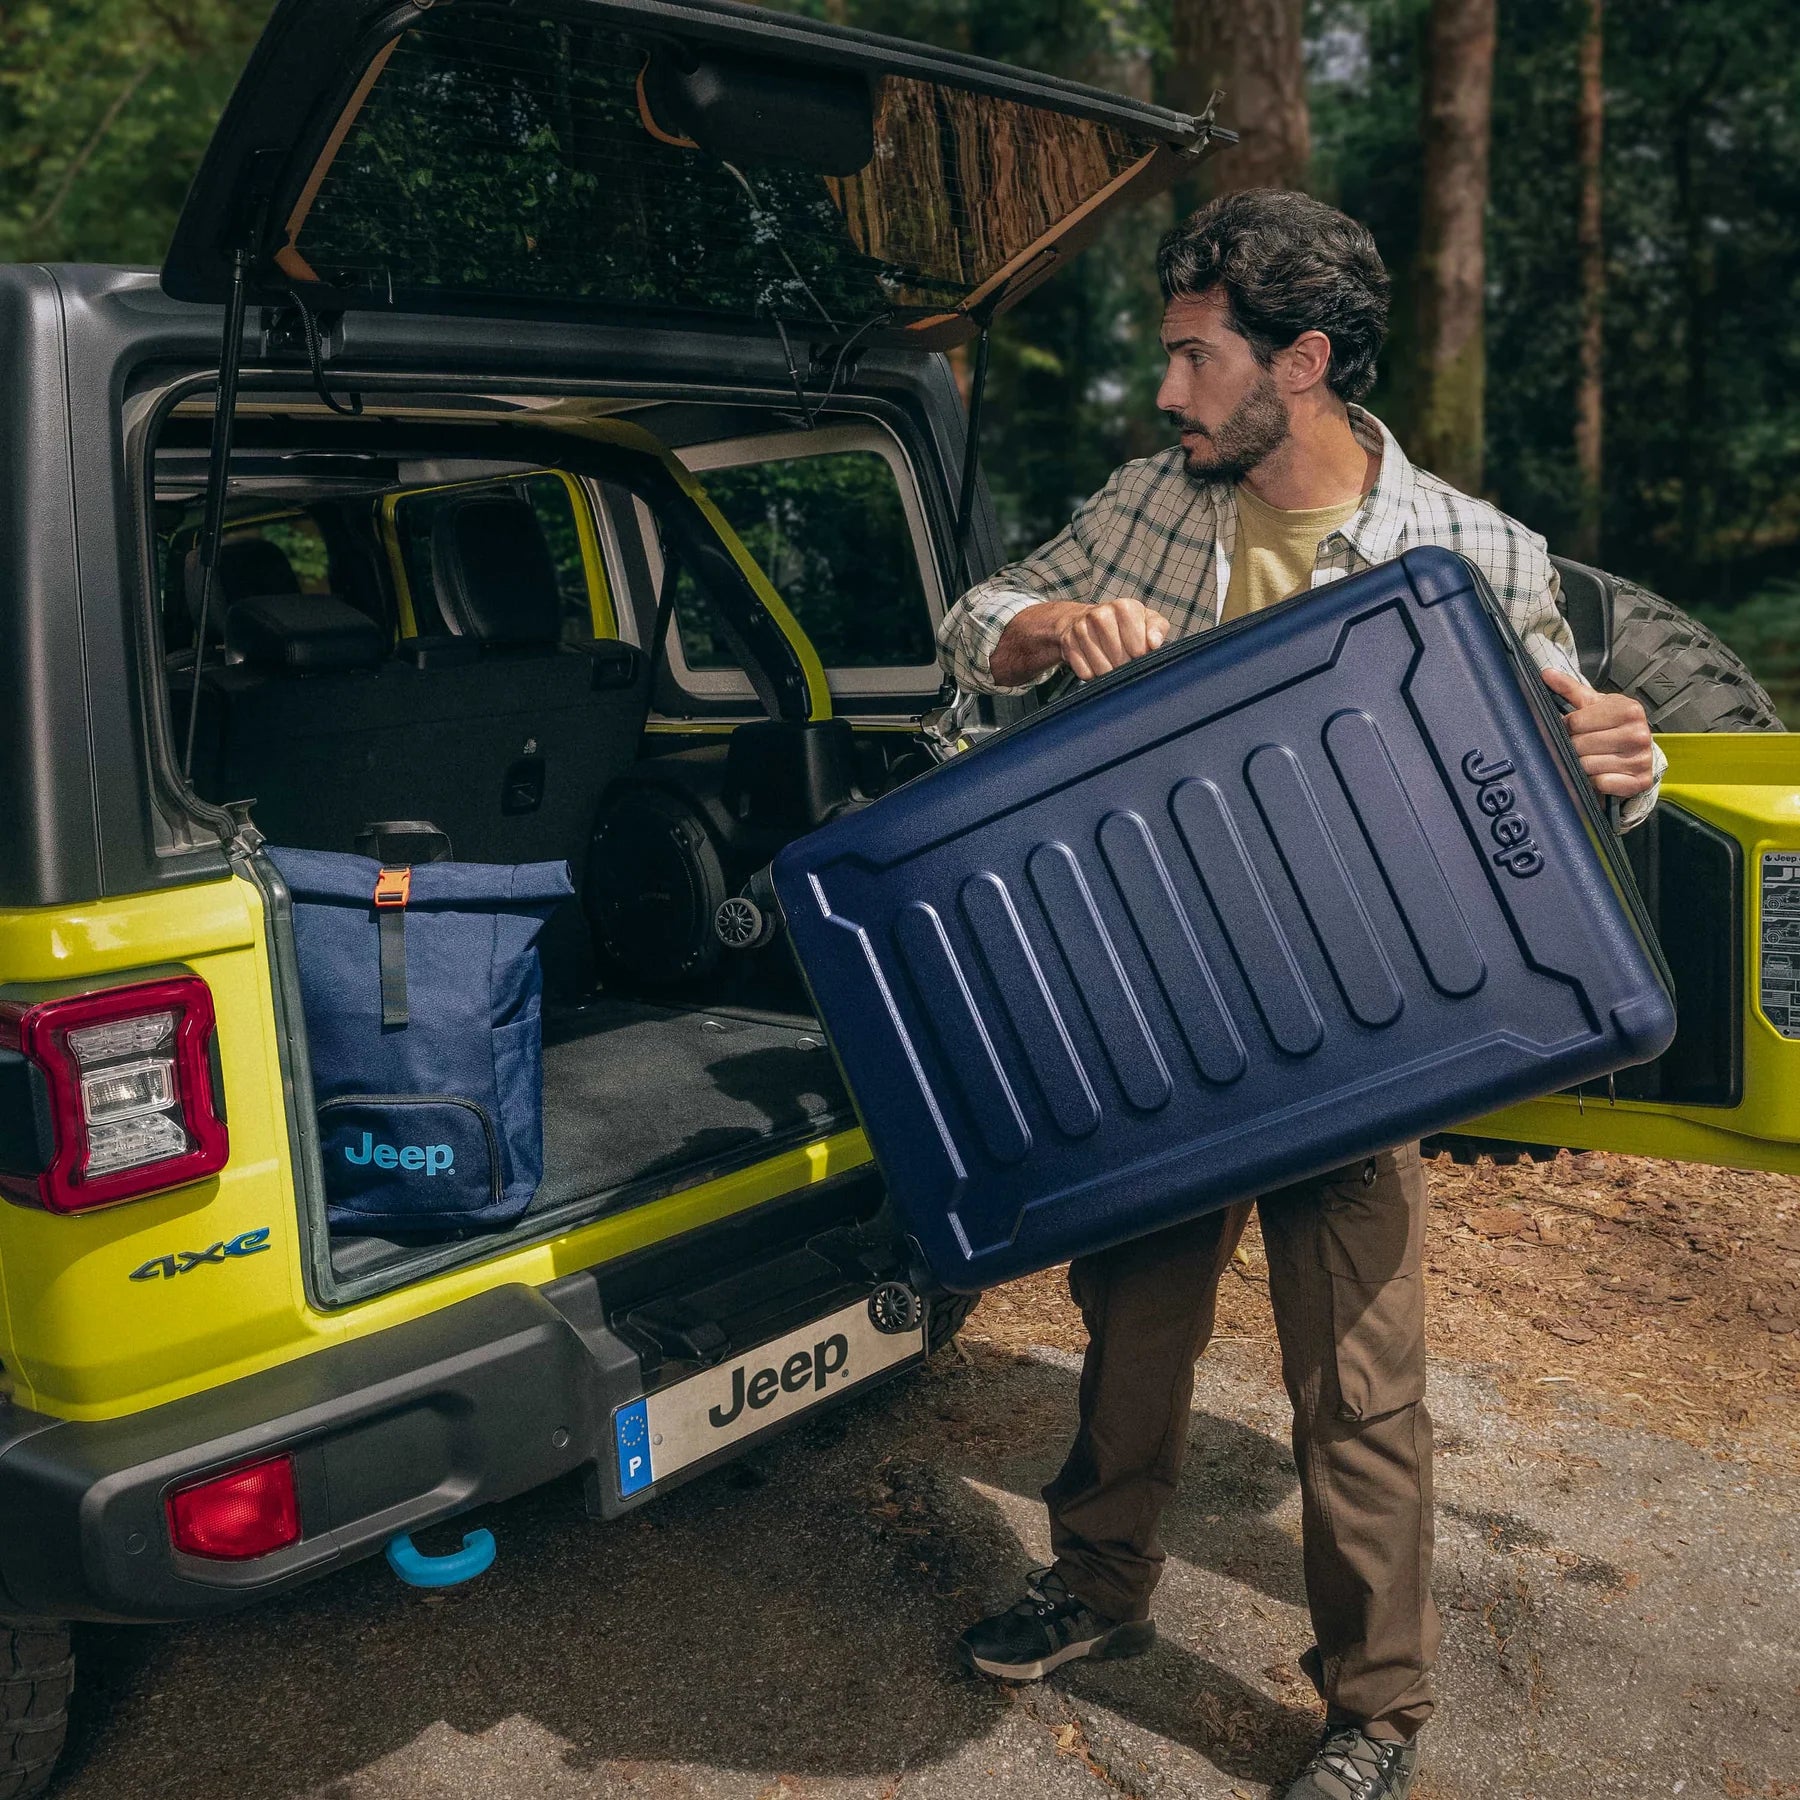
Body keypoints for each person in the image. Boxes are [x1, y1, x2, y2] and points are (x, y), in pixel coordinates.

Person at [936, 189, 1661, 1800]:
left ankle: (1374, 1712)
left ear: (1303, 361)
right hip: (1169, 1009)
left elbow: (1571, 761)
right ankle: (1099, 1584)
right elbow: (971, 620)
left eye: (1196, 358)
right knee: (1131, 1330)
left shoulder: (1471, 551)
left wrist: (1628, 763)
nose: (1168, 391)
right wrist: (1048, 623)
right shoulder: (1150, 502)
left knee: (1361, 1391)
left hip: (1361, 1035)